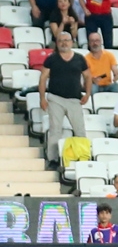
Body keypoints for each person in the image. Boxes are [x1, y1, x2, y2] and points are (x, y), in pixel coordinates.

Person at [39, 32, 90, 169]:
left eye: (67, 40)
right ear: (57, 43)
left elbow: (88, 76)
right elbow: (43, 78)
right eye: (61, 40)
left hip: (74, 99)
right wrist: (42, 98)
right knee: (55, 130)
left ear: (72, 42)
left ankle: (83, 158)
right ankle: (53, 160)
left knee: (80, 130)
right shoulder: (51, 59)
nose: (64, 43)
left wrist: (88, 93)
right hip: (55, 98)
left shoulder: (80, 59)